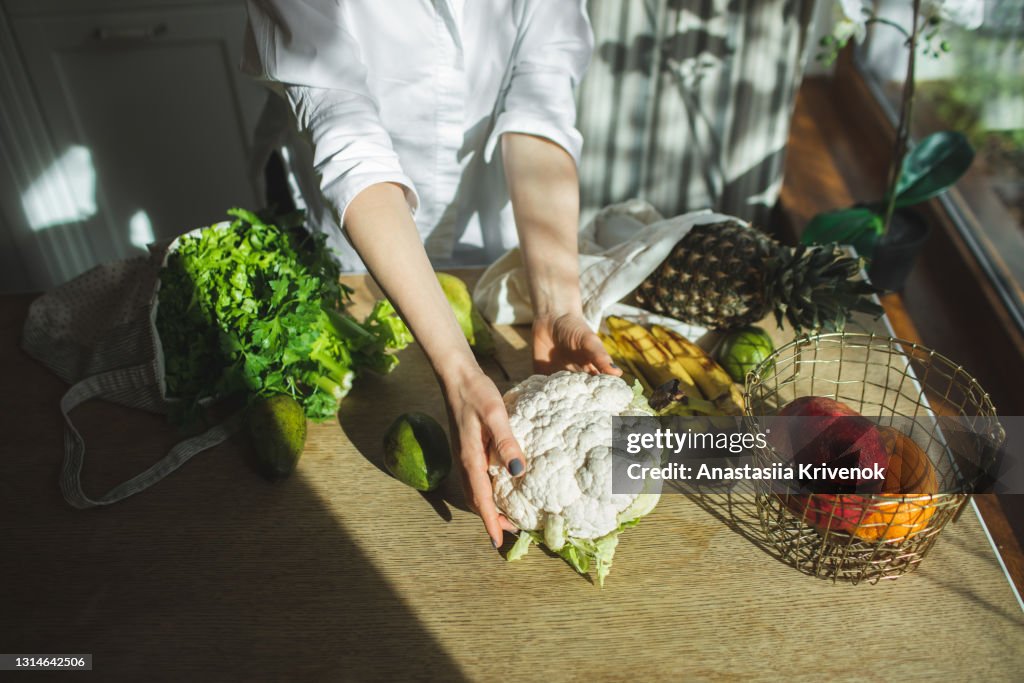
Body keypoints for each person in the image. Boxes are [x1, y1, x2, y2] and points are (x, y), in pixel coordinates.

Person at [242, 0, 620, 549]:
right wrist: (460, 374)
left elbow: (539, 107)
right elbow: (352, 150)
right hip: (359, 239)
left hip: (486, 220)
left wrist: (559, 307)